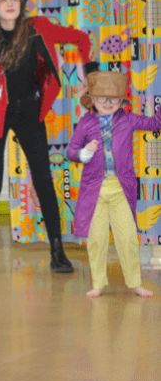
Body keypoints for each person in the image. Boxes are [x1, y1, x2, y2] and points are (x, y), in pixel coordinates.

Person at [0, 0, 92, 275]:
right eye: (3, 0)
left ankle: (57, 251)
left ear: (21, 4)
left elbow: (81, 39)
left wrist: (90, 76)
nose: (9, 4)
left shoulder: (39, 28)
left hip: (30, 112)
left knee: (44, 178)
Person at [67, 68, 160, 298]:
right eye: (102, 98)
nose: (108, 103)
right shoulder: (86, 123)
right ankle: (98, 283)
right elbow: (71, 151)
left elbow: (154, 124)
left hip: (120, 190)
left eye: (113, 99)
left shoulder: (127, 119)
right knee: (96, 240)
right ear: (93, 99)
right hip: (94, 192)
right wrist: (83, 154)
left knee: (127, 238)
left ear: (120, 101)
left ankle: (135, 283)